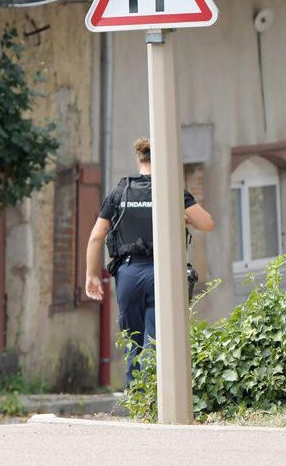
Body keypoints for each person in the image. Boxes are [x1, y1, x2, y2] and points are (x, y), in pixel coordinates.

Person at [84, 137, 215, 386]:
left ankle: (137, 399)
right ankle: (157, 401)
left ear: (139, 159)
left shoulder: (119, 192)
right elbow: (207, 223)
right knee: (157, 341)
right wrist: (184, 218)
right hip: (161, 273)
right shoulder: (172, 192)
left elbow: (96, 237)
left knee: (133, 342)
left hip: (129, 274)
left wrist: (91, 275)